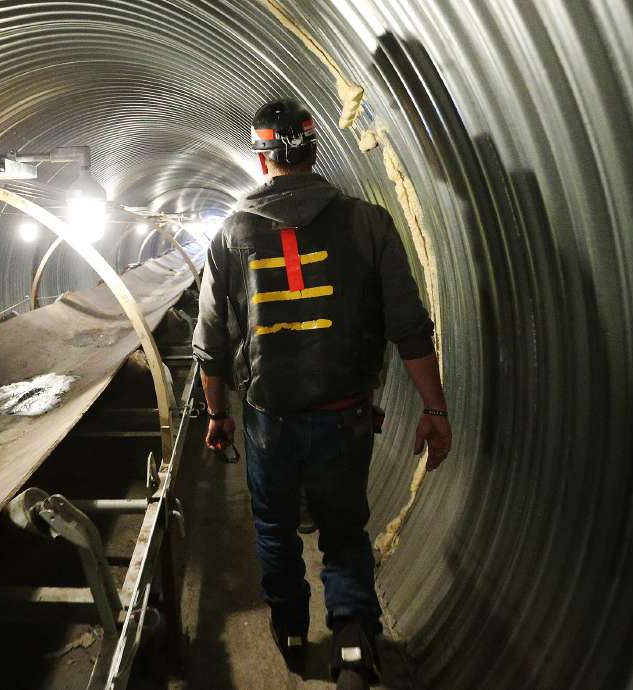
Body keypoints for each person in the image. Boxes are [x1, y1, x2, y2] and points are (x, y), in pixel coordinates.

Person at [192, 99, 452, 688]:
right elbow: (409, 326)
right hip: (346, 415)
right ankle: (356, 640)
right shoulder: (367, 222)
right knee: (343, 528)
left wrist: (217, 415)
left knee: (274, 526)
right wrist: (433, 408)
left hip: (268, 419)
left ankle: (287, 626)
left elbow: (211, 340)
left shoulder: (232, 234)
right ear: (316, 152)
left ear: (262, 161)